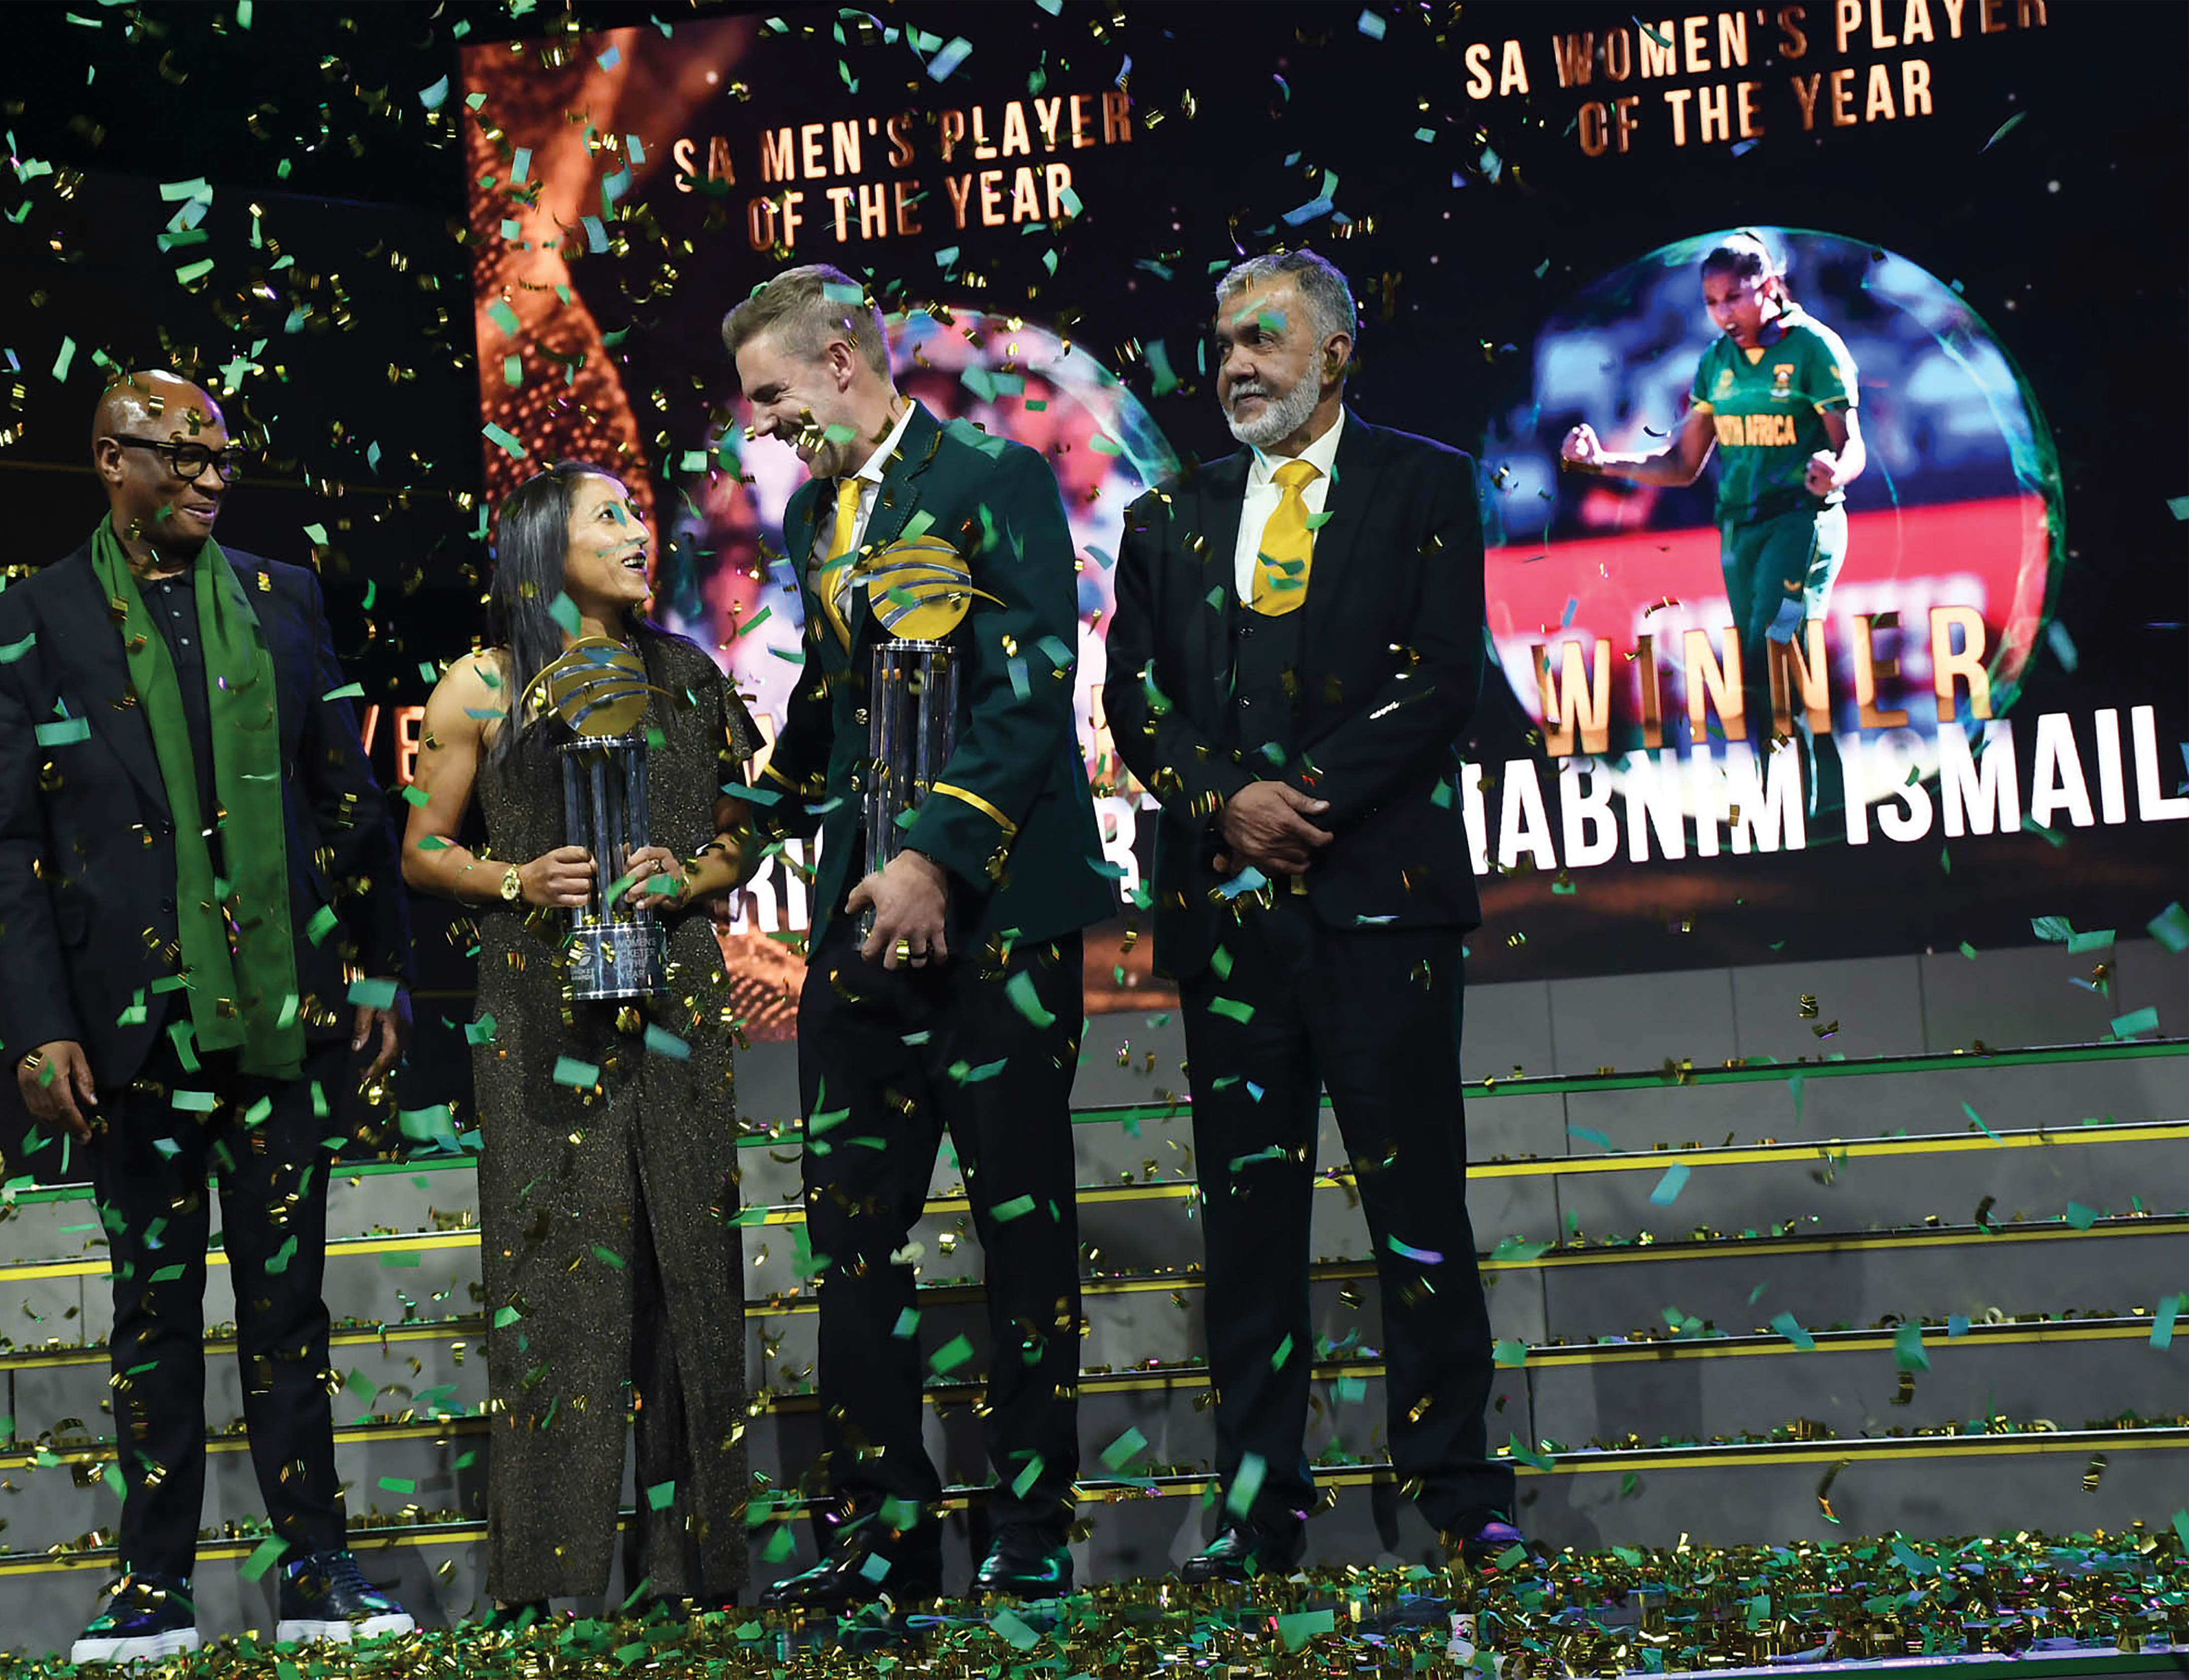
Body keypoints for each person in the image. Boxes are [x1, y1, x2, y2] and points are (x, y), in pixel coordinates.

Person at [0, 371, 414, 1660]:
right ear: (114, 459)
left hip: (278, 1013)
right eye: (185, 456)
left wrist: (379, 961)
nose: (213, 479)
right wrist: (39, 1024)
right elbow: (9, 844)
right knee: (152, 1310)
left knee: (289, 1306)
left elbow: (347, 793)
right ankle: (152, 1581)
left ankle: (318, 1568)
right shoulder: (26, 619)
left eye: (224, 458)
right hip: (132, 1030)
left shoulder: (283, 596)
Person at [1102, 251, 1521, 1582]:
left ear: (1335, 351)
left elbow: (1441, 679)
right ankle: (1257, 1505)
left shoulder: (1424, 484)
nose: (1234, 363)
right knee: (1247, 1229)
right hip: (1227, 924)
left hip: (1381, 909)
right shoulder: (1165, 513)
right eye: (1223, 340)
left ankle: (1457, 1491)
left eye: (1263, 337)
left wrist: (1303, 802)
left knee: (1417, 1207)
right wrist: (1225, 804)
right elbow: (1131, 700)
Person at [723, 264, 1115, 1606]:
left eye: (770, 394)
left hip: (998, 921)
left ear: (842, 358)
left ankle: (1028, 1524)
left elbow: (1031, 691)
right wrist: (734, 834)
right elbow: (828, 712)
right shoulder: (815, 514)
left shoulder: (996, 481)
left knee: (1022, 1227)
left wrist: (931, 859)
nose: (762, 426)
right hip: (857, 923)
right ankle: (884, 1529)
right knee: (851, 1235)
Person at [400, 463, 758, 1618]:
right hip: (536, 1010)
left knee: (689, 1271)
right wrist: (514, 878)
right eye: (610, 517)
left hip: (677, 1006)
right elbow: (423, 849)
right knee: (555, 1281)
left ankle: (693, 1574)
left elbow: (742, 835)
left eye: (637, 513)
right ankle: (548, 1584)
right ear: (543, 545)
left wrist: (689, 874)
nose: (638, 532)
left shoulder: (689, 675)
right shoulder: (482, 683)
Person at [1561, 229, 1864, 743]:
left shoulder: (1815, 348)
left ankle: (1812, 765)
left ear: (1769, 287)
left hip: (1802, 518)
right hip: (1742, 527)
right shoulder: (1715, 363)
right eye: (1711, 302)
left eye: (1734, 298)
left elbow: (1852, 445)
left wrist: (1836, 470)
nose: (1723, 313)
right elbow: (1682, 464)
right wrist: (1600, 463)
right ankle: (1802, 772)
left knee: (1775, 641)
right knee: (1758, 667)